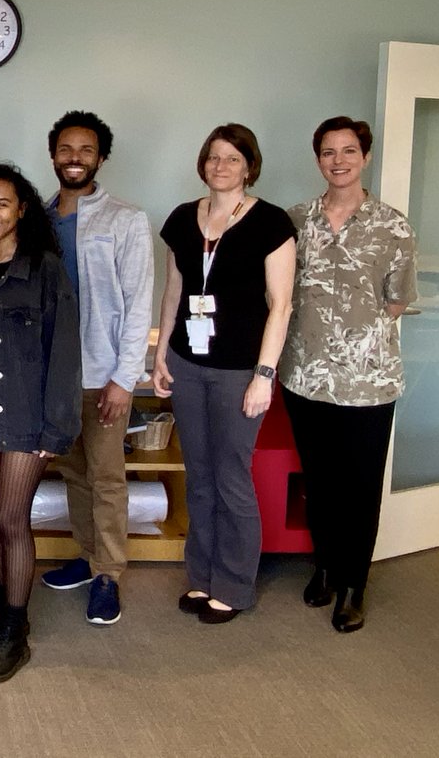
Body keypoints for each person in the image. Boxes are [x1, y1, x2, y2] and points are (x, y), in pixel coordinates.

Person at [152, 123, 295, 624]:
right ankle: (202, 576)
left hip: (239, 371)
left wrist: (264, 375)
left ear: (249, 167)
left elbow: (281, 305)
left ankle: (234, 586)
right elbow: (174, 292)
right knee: (199, 475)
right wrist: (161, 355)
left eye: (233, 158)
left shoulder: (271, 222)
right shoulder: (181, 219)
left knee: (231, 476)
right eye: (214, 156)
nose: (221, 166)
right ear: (203, 163)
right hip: (188, 363)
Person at [280, 116, 417, 633]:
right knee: (320, 480)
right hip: (306, 376)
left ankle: (354, 583)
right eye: (328, 152)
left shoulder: (393, 225)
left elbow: (397, 302)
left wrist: (353, 338)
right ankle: (326, 567)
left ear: (365, 156)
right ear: (318, 159)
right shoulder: (295, 220)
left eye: (349, 151)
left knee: (359, 485)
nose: (338, 161)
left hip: (368, 381)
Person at [0, 164, 81, 684]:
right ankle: (7, 613)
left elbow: (64, 350)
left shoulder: (45, 268)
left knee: (11, 516)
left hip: (26, 403)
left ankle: (16, 630)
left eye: (2, 204)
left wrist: (56, 427)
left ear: (21, 209)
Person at [40, 111, 154, 626]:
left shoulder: (125, 219)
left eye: (85, 150)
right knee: (74, 473)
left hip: (103, 373)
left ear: (101, 158)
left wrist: (124, 379)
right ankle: (88, 559)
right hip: (55, 376)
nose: (75, 158)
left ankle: (108, 573)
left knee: (107, 477)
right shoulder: (38, 218)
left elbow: (138, 302)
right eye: (66, 149)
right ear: (53, 155)